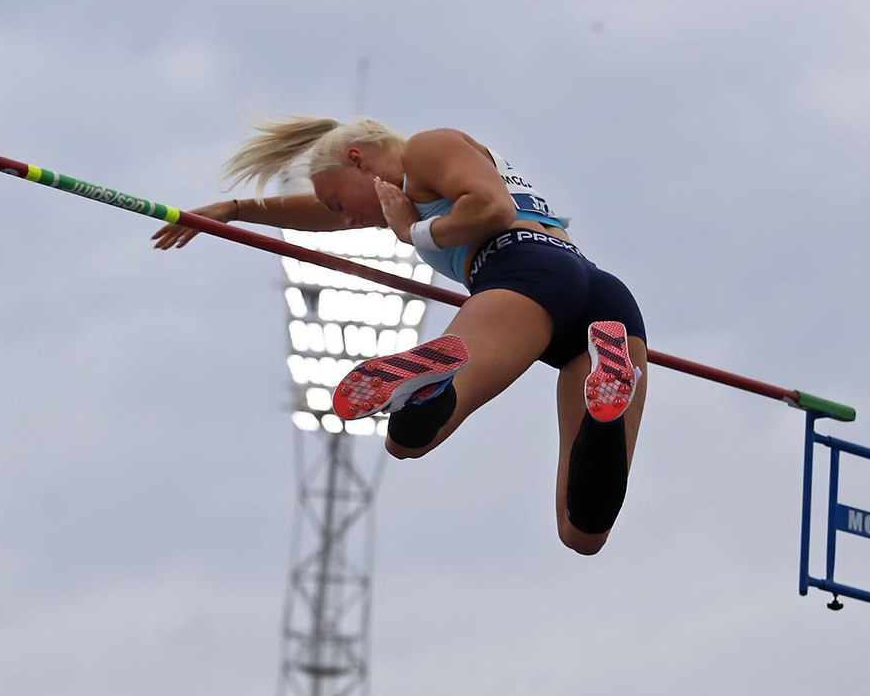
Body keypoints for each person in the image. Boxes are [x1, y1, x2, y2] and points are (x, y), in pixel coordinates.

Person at [152, 116, 647, 555]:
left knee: (407, 442)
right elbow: (314, 215)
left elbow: (493, 208)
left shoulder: (426, 149)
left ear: (357, 159)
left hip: (526, 273)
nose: (345, 219)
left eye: (338, 200)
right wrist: (236, 210)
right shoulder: (413, 192)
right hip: (606, 307)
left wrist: (415, 233)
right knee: (582, 532)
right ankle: (609, 391)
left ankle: (433, 378)